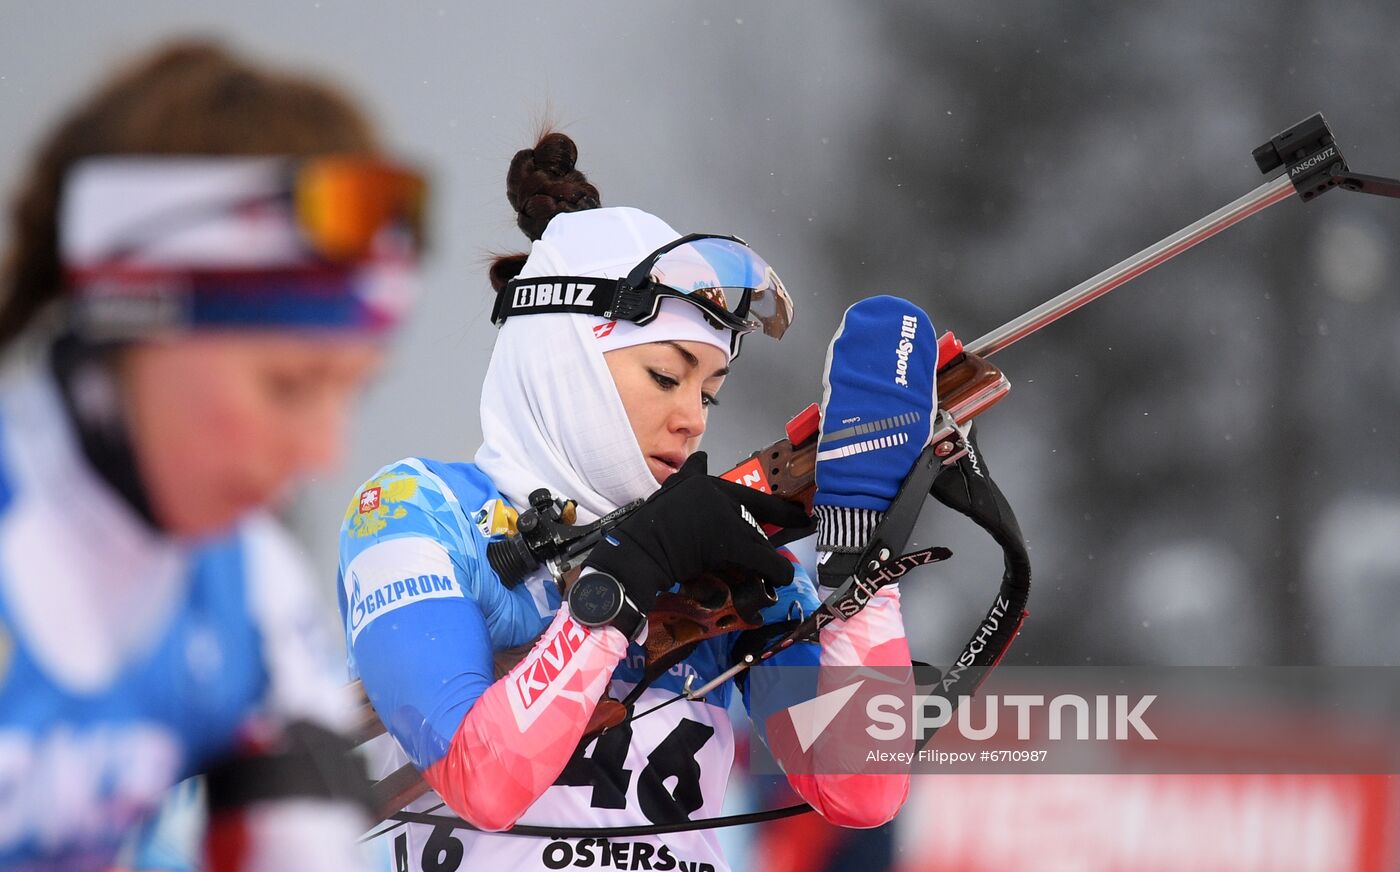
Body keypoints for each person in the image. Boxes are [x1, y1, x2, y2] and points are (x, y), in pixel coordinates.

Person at [342, 131, 937, 872]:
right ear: (564, 357)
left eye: (710, 392)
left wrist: (863, 571)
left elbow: (861, 788)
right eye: (666, 377)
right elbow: (482, 777)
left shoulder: (713, 549)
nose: (693, 417)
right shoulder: (413, 509)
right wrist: (619, 586)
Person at [0, 40, 426, 870]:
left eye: (353, 390)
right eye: (287, 385)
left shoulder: (250, 590)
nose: (323, 451)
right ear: (137, 316)